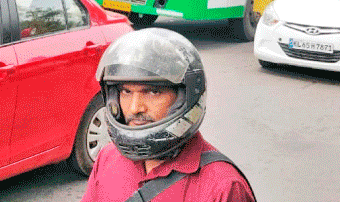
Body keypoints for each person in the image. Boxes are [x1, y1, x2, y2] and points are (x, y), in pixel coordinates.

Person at [81, 28, 255, 202]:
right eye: (126, 91)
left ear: (184, 98)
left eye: (153, 92)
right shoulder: (108, 158)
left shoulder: (222, 187)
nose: (135, 108)